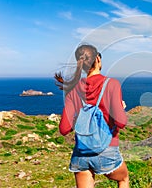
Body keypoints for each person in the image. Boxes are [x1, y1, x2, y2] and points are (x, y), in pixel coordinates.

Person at [54, 44, 129, 188]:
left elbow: (64, 129)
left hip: (81, 153)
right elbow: (121, 122)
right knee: (123, 179)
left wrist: (81, 117)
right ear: (98, 59)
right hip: (106, 150)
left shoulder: (73, 90)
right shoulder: (111, 84)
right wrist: (121, 108)